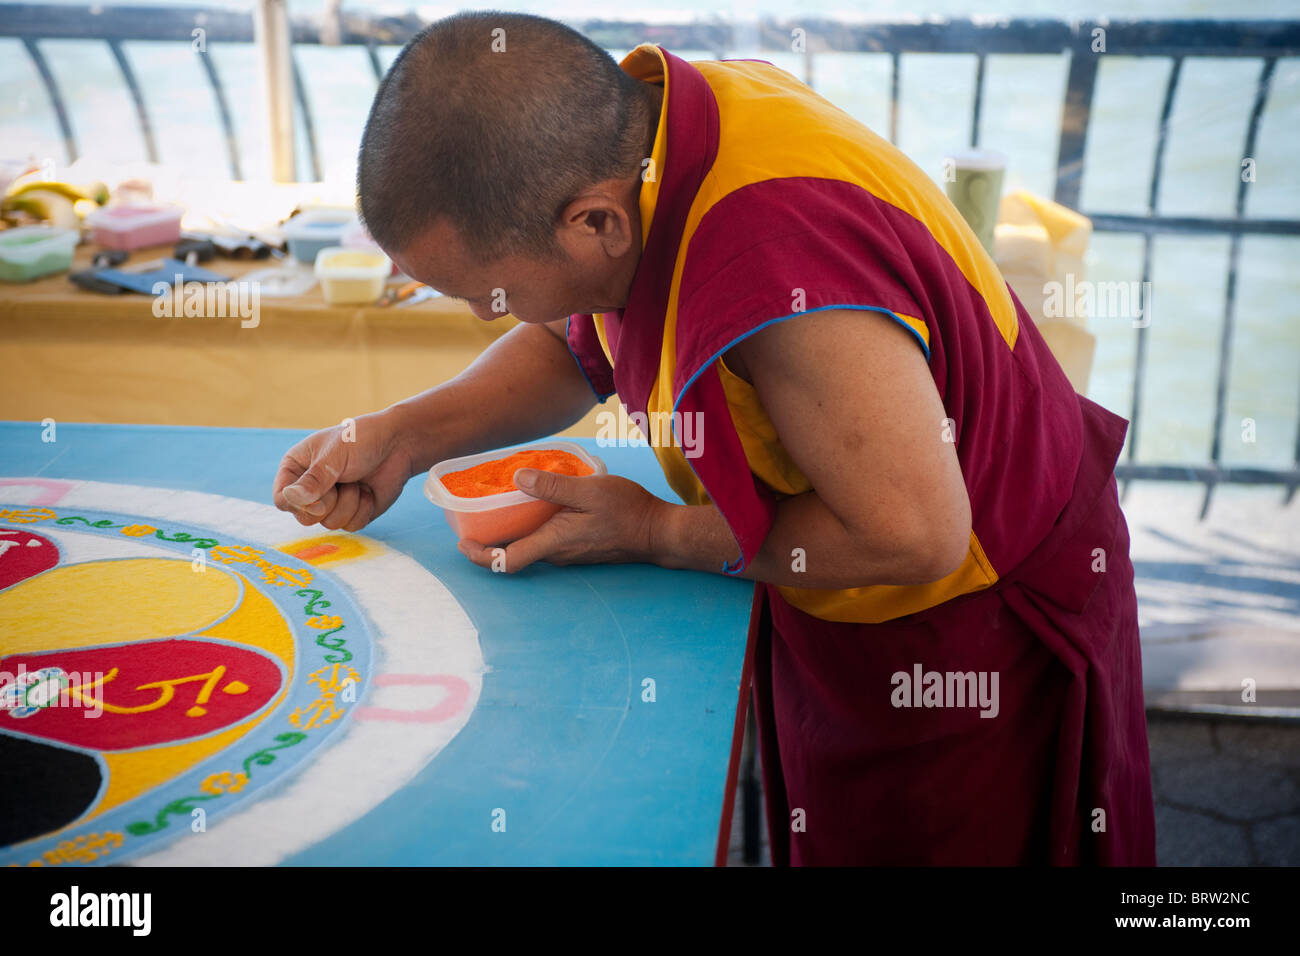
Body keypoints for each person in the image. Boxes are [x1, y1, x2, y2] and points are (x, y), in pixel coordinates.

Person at [273, 11, 1157, 865]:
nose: (482, 314)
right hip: (838, 588)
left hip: (968, 637)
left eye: (487, 292)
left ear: (593, 223)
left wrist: (653, 530)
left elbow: (911, 532)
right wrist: (404, 433)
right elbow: (579, 332)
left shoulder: (779, 267)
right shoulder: (648, 141)